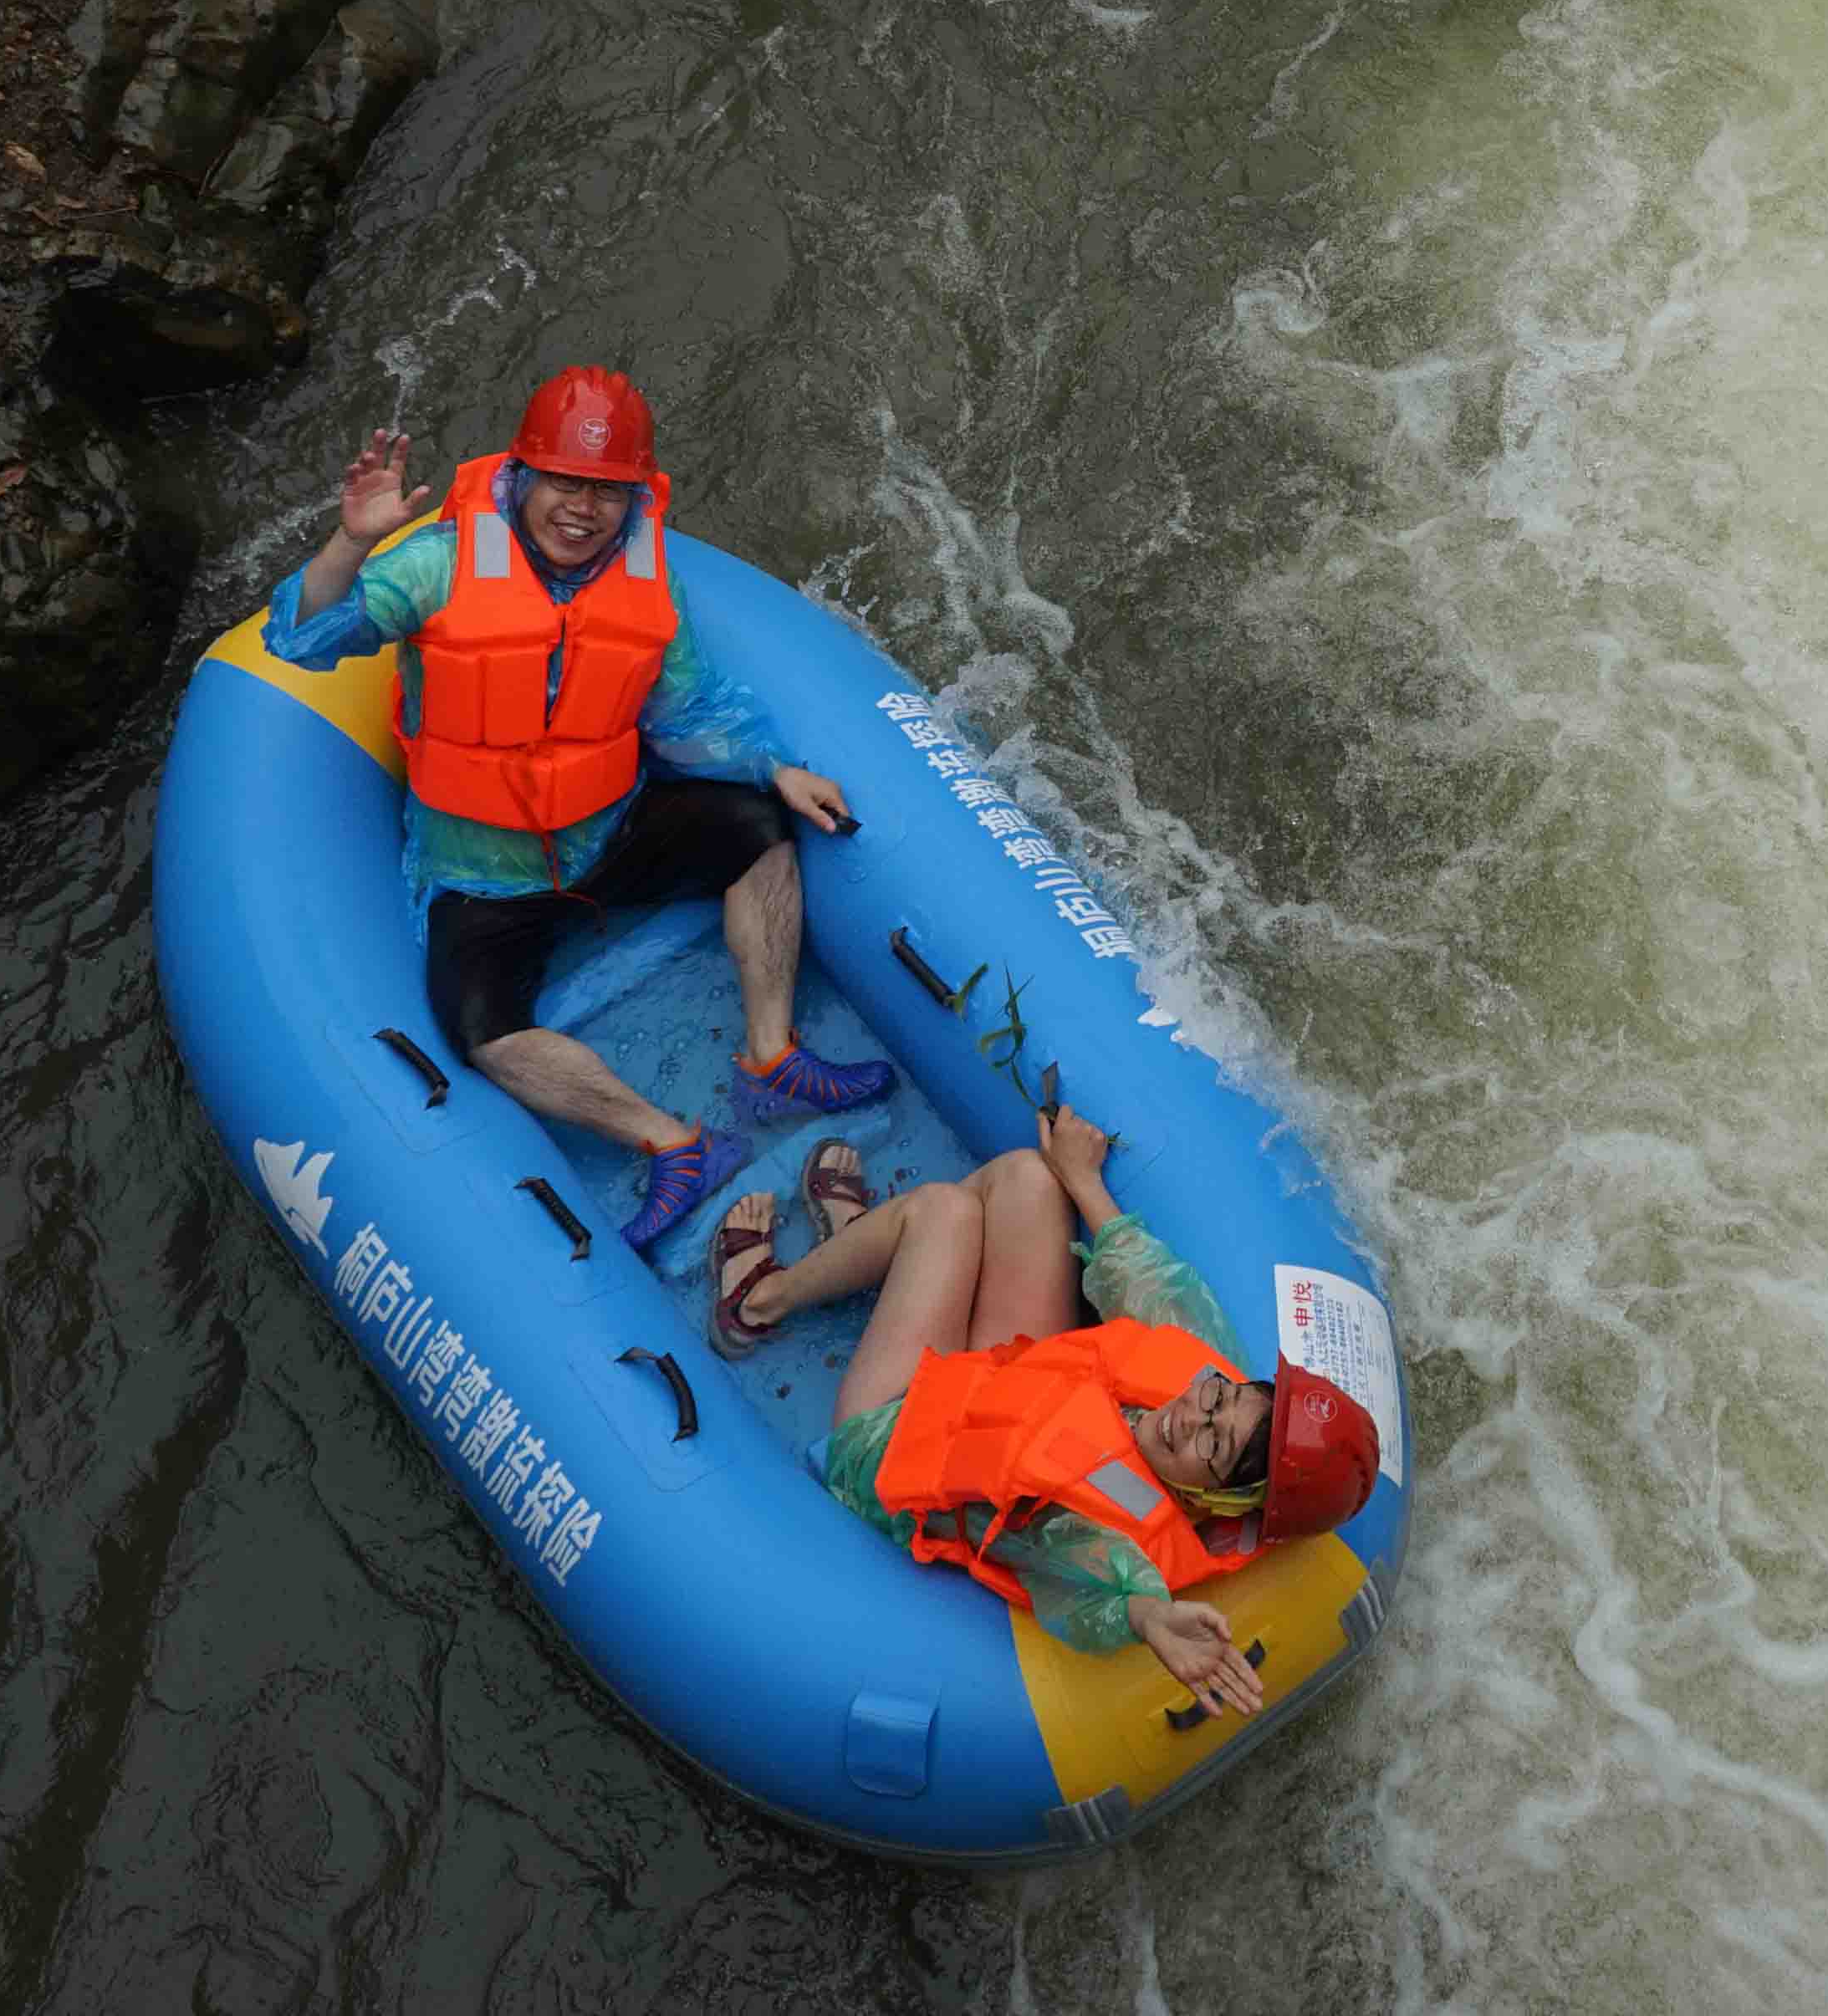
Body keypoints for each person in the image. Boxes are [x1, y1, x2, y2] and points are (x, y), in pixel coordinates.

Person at [268, 366, 889, 1259]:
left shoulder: (639, 584)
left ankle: (770, 1057)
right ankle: (676, 1143)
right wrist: (347, 542)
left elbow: (689, 710)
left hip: (609, 833)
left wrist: (776, 768)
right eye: (565, 480)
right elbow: (302, 637)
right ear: (522, 474)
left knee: (759, 833)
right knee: (480, 1030)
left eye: (606, 490)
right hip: (486, 871)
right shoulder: (437, 564)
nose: (583, 508)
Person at [713, 1105, 1381, 1724]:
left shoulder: (1114, 1532)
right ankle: (863, 1246)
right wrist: (1080, 1176)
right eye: (1217, 1398)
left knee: (943, 1213)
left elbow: (1100, 1587)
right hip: (1010, 1379)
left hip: (896, 1438)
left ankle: (757, 1300)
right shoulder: (1219, 1391)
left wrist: (1149, 1619)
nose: (1188, 1415)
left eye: (1212, 1444)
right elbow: (1144, 1276)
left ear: (1227, 1502)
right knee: (1030, 1179)